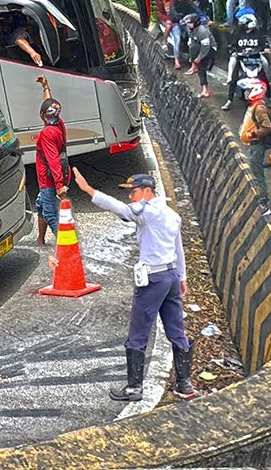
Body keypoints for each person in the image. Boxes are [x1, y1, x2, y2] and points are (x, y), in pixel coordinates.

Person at [69, 169, 195, 401]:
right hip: (171, 278)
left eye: (134, 192)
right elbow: (178, 248)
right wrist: (182, 276)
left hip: (153, 280)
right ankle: (184, 384)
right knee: (177, 330)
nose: (131, 196)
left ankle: (134, 388)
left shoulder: (148, 211)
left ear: (148, 192)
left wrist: (89, 190)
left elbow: (123, 210)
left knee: (138, 332)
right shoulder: (171, 214)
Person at [33, 75, 67, 245]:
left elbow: (53, 159)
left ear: (42, 116)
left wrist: (59, 185)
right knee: (40, 206)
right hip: (52, 178)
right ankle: (40, 240)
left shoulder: (46, 134)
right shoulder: (58, 123)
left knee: (50, 214)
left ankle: (67, 246)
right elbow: (50, 105)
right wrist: (45, 87)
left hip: (48, 180)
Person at [221, 10, 270, 111]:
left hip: (256, 58)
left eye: (244, 24)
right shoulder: (238, 33)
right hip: (241, 59)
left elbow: (264, 45)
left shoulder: (258, 33)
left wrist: (264, 49)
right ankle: (229, 100)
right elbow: (233, 45)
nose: (242, 26)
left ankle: (269, 98)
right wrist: (234, 51)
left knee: (264, 74)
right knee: (234, 77)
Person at [238, 79, 271, 215]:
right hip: (254, 143)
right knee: (255, 168)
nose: (245, 93)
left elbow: (267, 127)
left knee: (257, 171)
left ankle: (263, 202)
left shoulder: (259, 108)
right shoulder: (255, 105)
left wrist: (253, 133)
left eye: (248, 91)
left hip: (258, 144)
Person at [184, 13, 213, 97]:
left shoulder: (202, 31)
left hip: (209, 49)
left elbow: (206, 46)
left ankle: (205, 90)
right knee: (192, 47)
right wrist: (192, 57)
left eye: (190, 23)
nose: (188, 25)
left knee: (201, 68)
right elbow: (191, 43)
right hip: (198, 47)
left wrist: (200, 57)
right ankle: (204, 88)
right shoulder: (190, 29)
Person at [169, 0, 199, 67]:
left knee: (193, 36)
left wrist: (203, 17)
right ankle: (176, 61)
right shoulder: (173, 3)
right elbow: (172, 14)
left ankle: (194, 58)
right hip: (176, 23)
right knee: (177, 39)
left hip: (185, 23)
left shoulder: (188, 2)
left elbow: (197, 11)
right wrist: (178, 17)